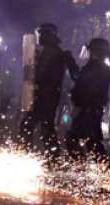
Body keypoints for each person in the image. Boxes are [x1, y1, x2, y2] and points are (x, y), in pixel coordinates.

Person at [19, 23, 78, 158]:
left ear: (49, 35)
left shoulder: (61, 55)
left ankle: (51, 156)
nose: (39, 37)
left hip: (49, 96)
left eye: (42, 34)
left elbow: (76, 75)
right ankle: (45, 155)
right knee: (37, 127)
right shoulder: (41, 53)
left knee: (43, 127)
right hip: (39, 96)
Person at [66, 38, 110, 160]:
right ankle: (101, 169)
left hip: (89, 109)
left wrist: (70, 62)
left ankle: (94, 169)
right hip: (89, 108)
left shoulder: (98, 67)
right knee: (89, 141)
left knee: (79, 139)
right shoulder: (98, 66)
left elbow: (78, 77)